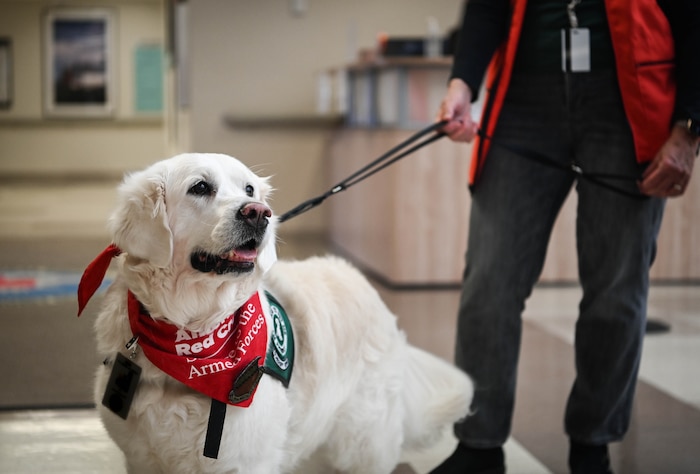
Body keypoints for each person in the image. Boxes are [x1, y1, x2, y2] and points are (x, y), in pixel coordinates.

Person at [432, 1, 700, 473]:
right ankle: (478, 448)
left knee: (616, 291)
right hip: (523, 94)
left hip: (628, 95)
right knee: (488, 282)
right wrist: (462, 82)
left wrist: (690, 124)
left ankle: (592, 446)